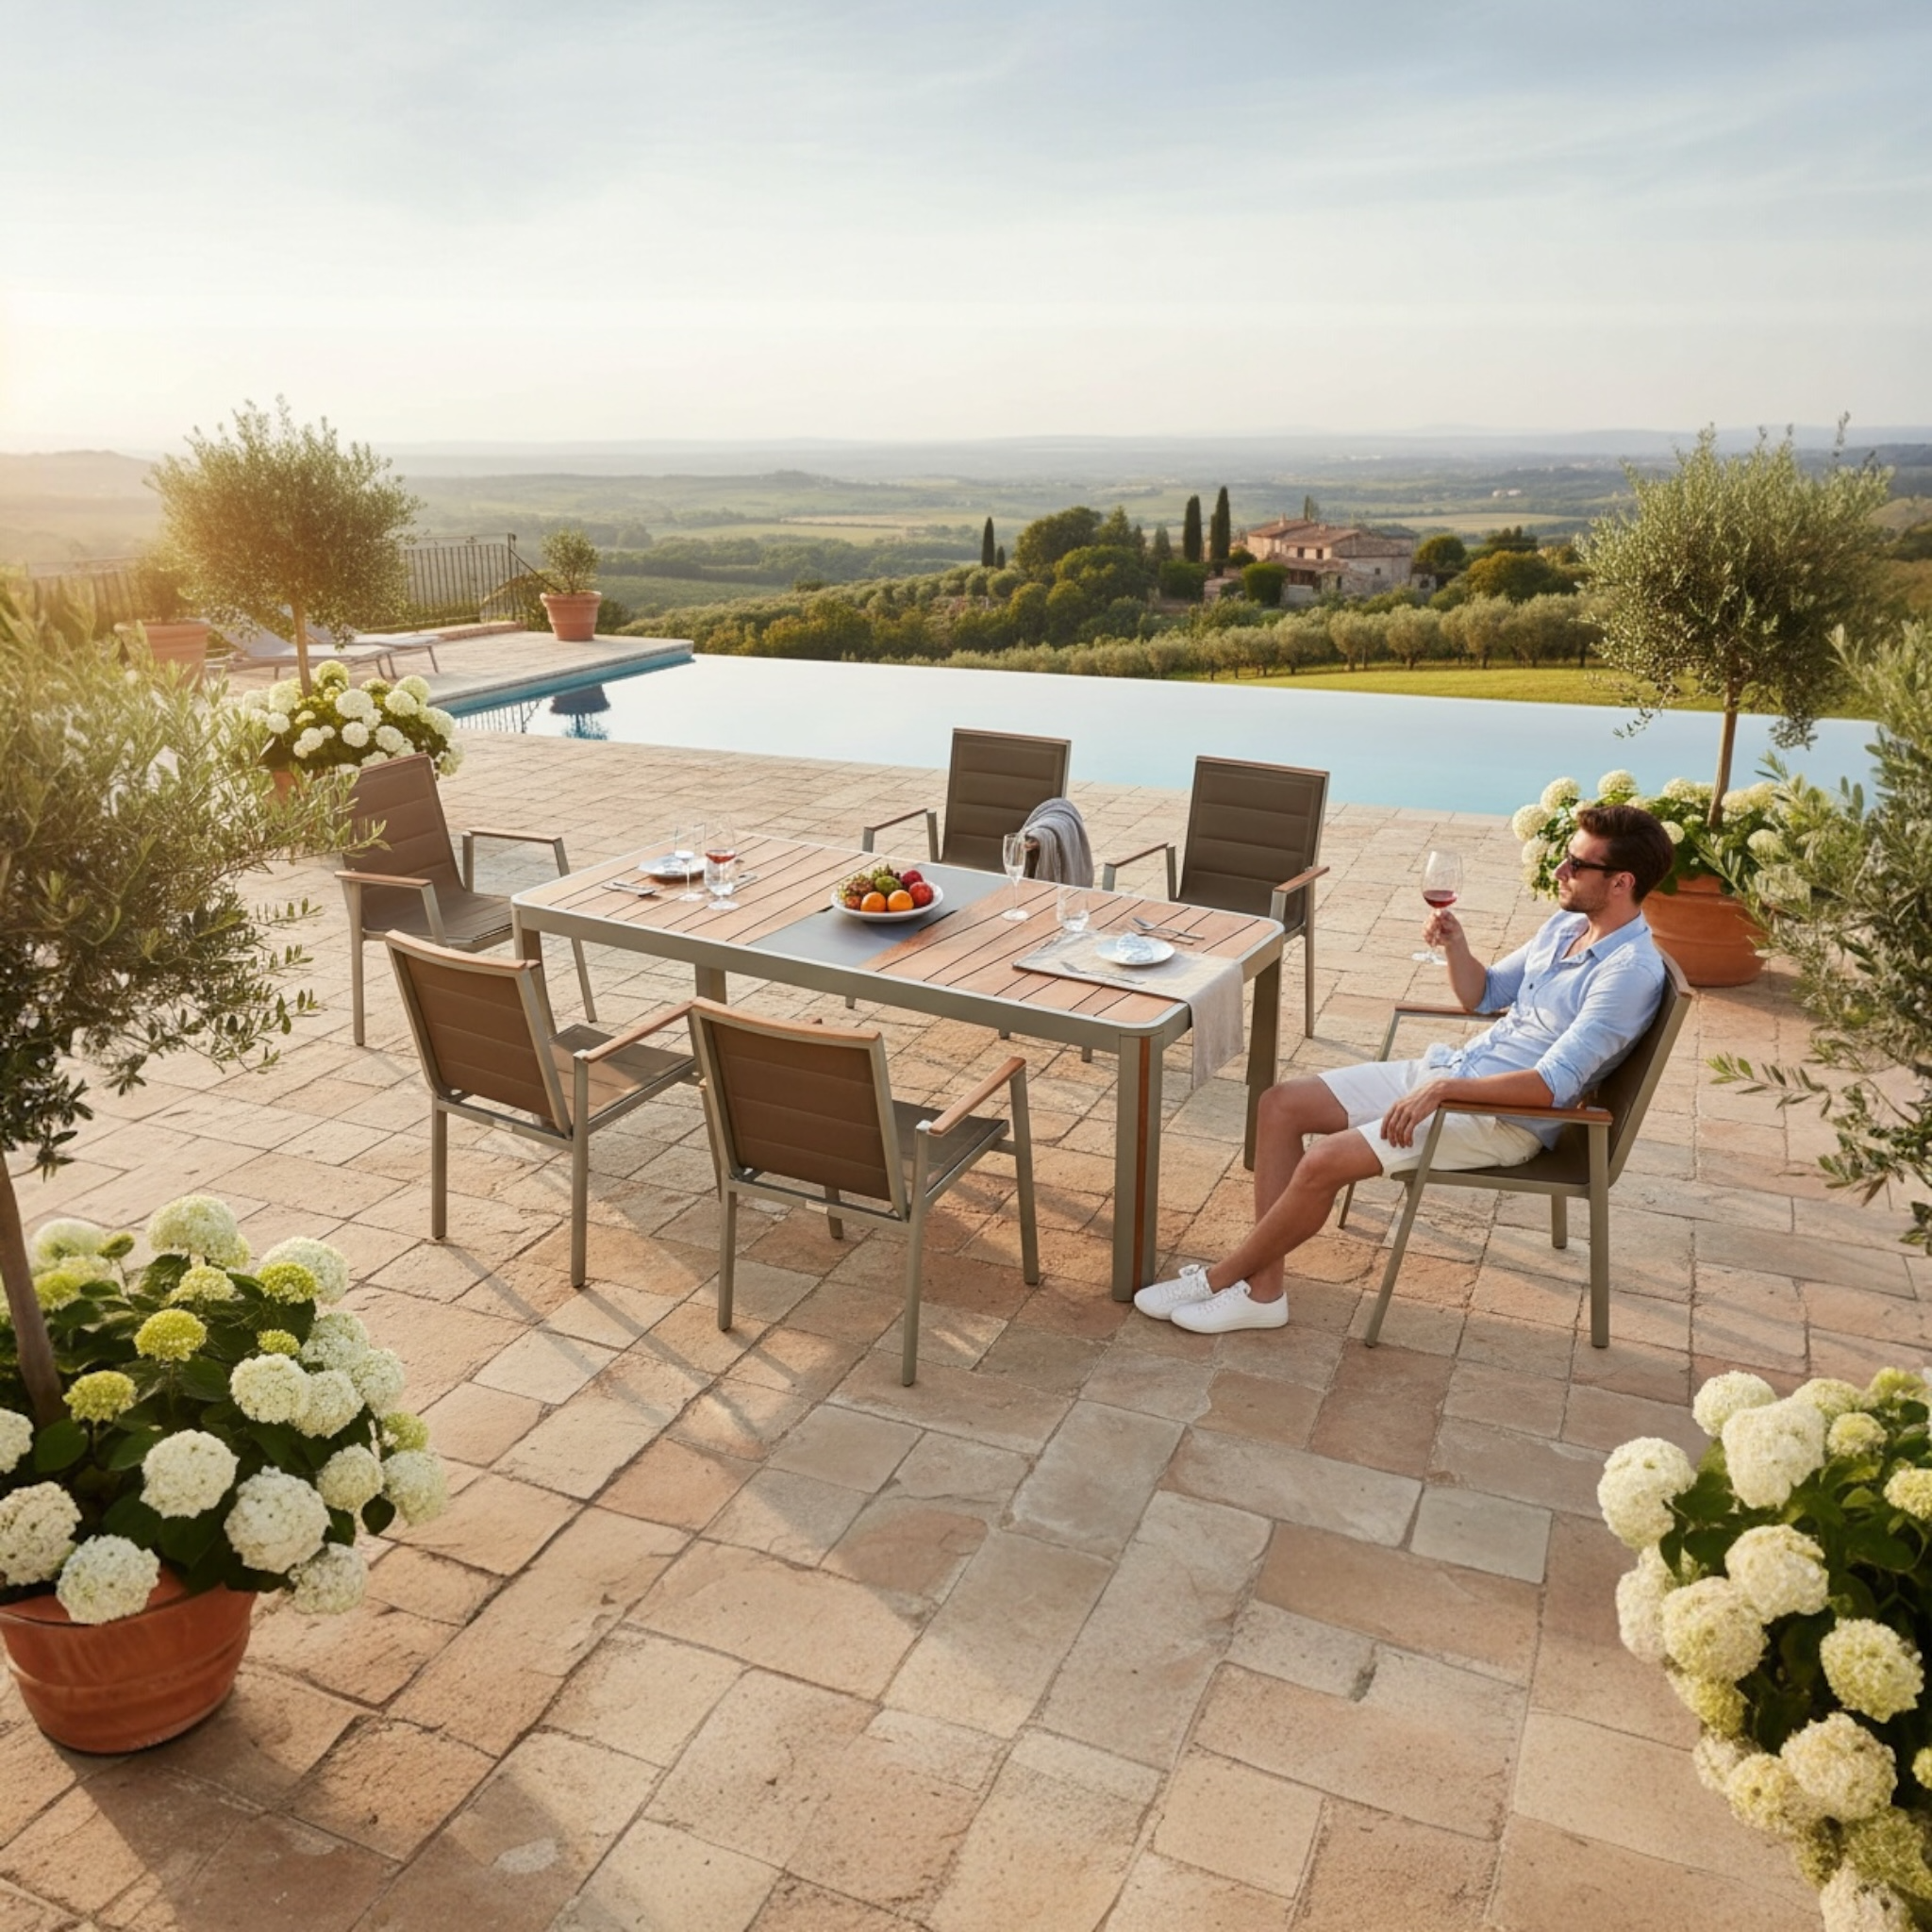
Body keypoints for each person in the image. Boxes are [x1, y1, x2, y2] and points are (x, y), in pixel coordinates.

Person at [1137, 802, 1675, 1333]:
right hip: (1454, 1074)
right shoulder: (1565, 927)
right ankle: (1264, 1292)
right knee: (1281, 1105)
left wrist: (1442, 1092)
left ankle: (1220, 1279)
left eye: (1576, 864)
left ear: (1621, 882)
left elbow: (1550, 1087)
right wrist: (1456, 945)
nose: (1560, 871)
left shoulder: (1628, 974)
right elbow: (1483, 994)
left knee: (1324, 1161)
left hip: (1502, 1119)